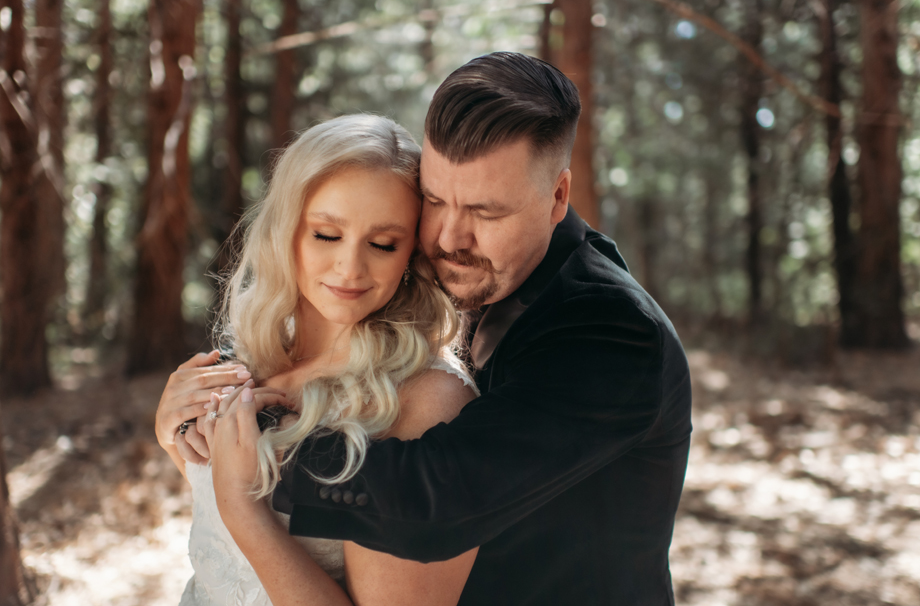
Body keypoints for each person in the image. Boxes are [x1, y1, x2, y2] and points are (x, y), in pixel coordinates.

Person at [167, 51, 692, 604]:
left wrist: (262, 442)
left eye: (486, 212)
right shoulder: (473, 276)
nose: (448, 238)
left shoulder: (610, 330)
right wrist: (185, 428)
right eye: (436, 200)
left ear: (558, 196)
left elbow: (437, 495)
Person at [155, 114, 480, 606]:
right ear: (285, 229)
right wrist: (174, 436)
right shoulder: (255, 358)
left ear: (412, 253)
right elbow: (226, 552)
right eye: (327, 234)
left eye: (383, 244)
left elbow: (240, 508)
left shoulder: (428, 401)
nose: (350, 267)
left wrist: (242, 507)